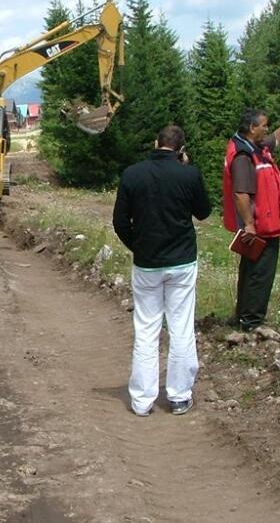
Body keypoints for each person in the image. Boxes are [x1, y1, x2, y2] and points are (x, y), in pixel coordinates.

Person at [112, 125, 212, 416]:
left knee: (146, 329)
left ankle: (142, 400)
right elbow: (204, 212)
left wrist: (138, 246)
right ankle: (179, 396)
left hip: (147, 262)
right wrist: (187, 168)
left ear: (156, 143)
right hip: (181, 260)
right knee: (181, 327)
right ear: (181, 149)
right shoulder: (188, 174)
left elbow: (120, 221)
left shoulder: (132, 174)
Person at [222, 106, 280, 331]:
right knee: (259, 274)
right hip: (259, 226)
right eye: (263, 125)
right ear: (252, 128)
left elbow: (276, 138)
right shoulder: (243, 155)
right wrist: (249, 224)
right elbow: (241, 193)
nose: (267, 129)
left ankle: (244, 317)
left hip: (265, 223)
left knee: (252, 272)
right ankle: (251, 323)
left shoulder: (254, 146)